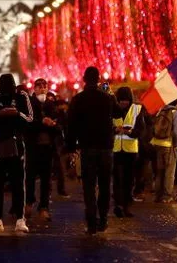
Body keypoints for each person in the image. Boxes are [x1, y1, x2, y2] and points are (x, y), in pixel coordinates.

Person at [66, 66, 117, 235]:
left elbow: (70, 125)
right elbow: (118, 113)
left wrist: (71, 147)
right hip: (105, 147)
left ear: (84, 79)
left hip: (87, 147)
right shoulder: (107, 99)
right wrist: (110, 93)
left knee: (88, 186)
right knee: (104, 185)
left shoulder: (78, 99)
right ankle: (103, 219)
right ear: (99, 78)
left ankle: (91, 222)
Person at [0, 74, 33, 233]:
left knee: (18, 183)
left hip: (16, 144)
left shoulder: (22, 96)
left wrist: (17, 113)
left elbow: (30, 119)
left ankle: (20, 219)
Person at [25, 78, 62, 221]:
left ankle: (44, 207)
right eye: (39, 86)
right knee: (30, 177)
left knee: (46, 179)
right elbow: (27, 124)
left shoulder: (51, 105)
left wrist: (53, 125)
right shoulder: (29, 104)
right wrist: (42, 123)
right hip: (33, 147)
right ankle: (28, 203)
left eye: (44, 86)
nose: (42, 89)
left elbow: (59, 126)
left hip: (48, 147)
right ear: (34, 88)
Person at [112, 86, 146, 218]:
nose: (123, 103)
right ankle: (118, 204)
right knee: (117, 179)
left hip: (131, 151)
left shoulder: (137, 109)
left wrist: (130, 132)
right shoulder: (113, 110)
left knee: (128, 180)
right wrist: (114, 130)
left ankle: (126, 205)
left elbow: (141, 130)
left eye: (125, 100)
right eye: (121, 100)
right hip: (116, 149)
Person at [151, 98, 177, 203]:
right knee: (169, 171)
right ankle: (167, 196)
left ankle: (157, 195)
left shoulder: (160, 111)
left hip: (157, 144)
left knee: (159, 171)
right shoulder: (176, 113)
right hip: (169, 145)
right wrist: (176, 144)